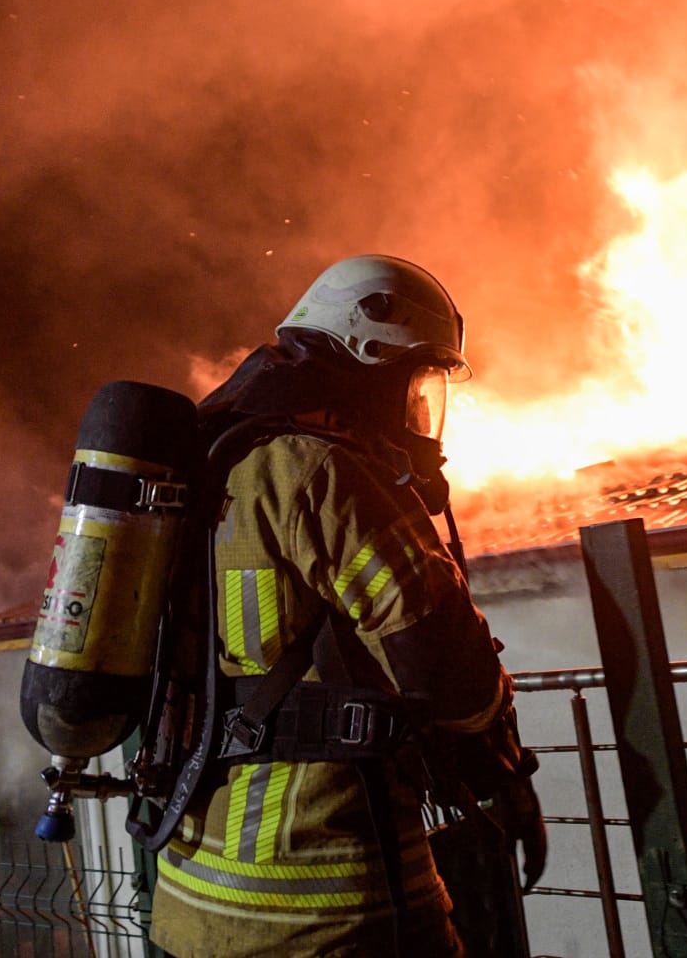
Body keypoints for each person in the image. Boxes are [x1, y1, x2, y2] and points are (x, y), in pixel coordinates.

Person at [149, 254, 546, 958]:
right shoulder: (325, 473)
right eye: (415, 383)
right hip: (334, 912)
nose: (420, 412)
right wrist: (503, 773)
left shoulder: (208, 468)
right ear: (374, 369)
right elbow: (447, 669)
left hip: (190, 900)